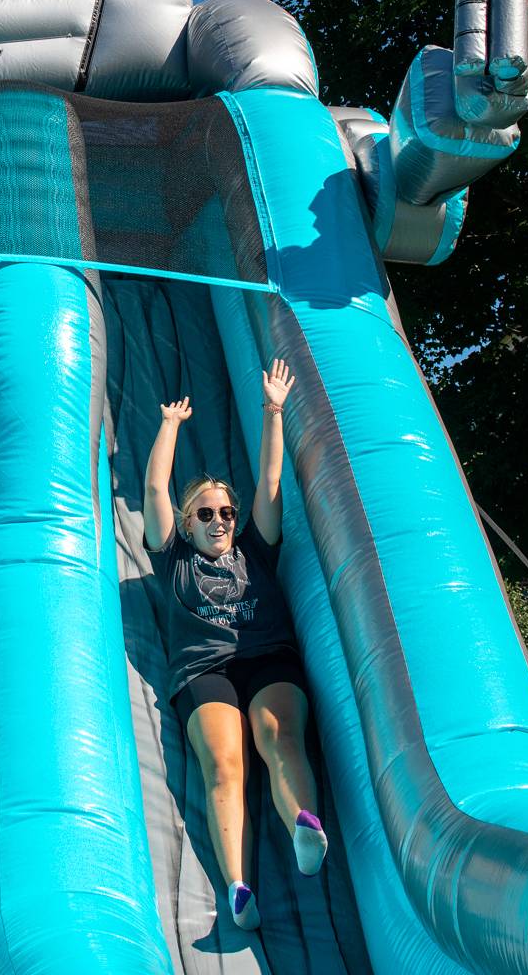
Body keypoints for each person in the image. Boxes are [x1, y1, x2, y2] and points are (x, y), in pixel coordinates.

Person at [143, 358, 327, 931]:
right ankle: (238, 887)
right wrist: (170, 425)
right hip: (205, 671)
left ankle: (304, 826)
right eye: (207, 513)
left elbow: (270, 482)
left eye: (226, 511)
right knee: (224, 763)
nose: (220, 519)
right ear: (187, 522)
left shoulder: (255, 547)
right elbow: (153, 486)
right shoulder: (172, 558)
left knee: (279, 735)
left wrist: (274, 409)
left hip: (268, 658)